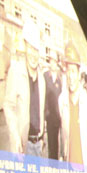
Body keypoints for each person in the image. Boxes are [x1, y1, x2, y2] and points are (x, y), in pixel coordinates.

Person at [4, 22, 46, 156]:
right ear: (25, 47)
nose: (33, 54)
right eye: (30, 48)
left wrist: (43, 136)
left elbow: (42, 111)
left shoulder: (42, 79)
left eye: (36, 50)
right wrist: (15, 136)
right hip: (22, 146)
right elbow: (8, 106)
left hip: (38, 144)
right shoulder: (16, 71)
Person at [58, 41, 87, 166]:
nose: (70, 76)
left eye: (73, 71)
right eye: (68, 71)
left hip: (85, 169)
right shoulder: (62, 101)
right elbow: (63, 136)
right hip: (68, 169)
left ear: (79, 73)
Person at [43, 53, 62, 160]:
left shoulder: (60, 78)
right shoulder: (45, 76)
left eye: (54, 61)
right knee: (51, 144)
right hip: (49, 117)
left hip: (58, 118)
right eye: (51, 61)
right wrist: (45, 114)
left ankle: (55, 163)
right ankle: (51, 164)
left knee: (57, 144)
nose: (52, 64)